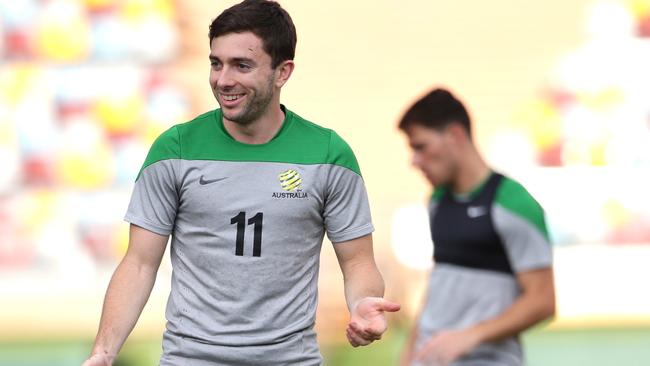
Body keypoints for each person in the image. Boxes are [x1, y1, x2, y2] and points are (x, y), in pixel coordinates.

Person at [82, 1, 400, 365]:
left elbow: (358, 263)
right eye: (216, 63)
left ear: (283, 72)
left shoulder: (328, 154)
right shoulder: (175, 149)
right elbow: (138, 263)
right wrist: (104, 352)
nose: (223, 79)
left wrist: (362, 305)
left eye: (241, 65)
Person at [397, 88, 555, 366]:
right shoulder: (437, 200)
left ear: (455, 135)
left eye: (421, 147)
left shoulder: (513, 203)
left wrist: (470, 336)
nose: (414, 161)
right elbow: (439, 288)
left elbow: (542, 301)